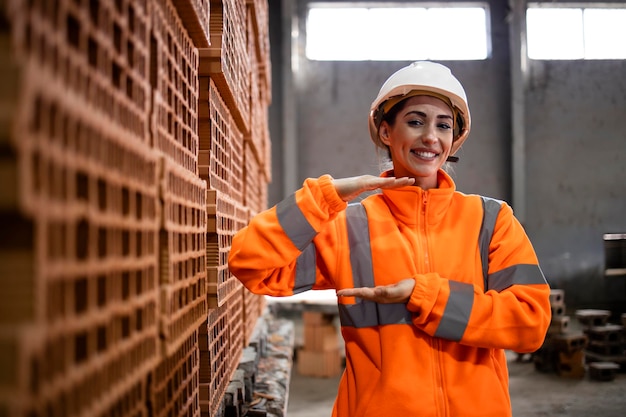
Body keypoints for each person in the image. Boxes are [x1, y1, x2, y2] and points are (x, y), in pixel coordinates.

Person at [228, 61, 551, 417]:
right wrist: (324, 196)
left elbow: (530, 323)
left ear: (453, 140)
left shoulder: (490, 221)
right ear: (386, 132)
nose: (431, 137)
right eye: (415, 121)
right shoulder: (350, 226)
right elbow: (249, 263)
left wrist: (427, 296)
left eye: (443, 125)